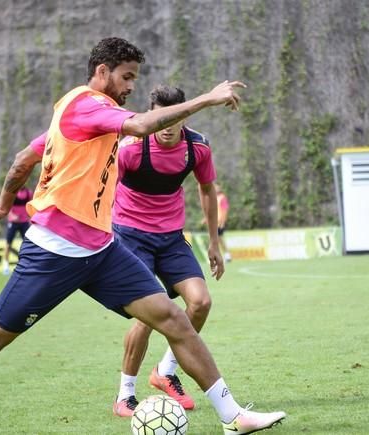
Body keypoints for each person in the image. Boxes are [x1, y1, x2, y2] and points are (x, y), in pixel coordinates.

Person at [0, 37, 285, 435]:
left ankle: (233, 415)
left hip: (102, 248)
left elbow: (25, 158)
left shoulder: (89, 113)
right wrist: (206, 99)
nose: (131, 87)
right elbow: (143, 125)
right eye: (127, 77)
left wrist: (4, 206)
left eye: (134, 78)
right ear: (102, 71)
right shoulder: (86, 105)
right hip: (55, 249)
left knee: (174, 319)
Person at [112, 85, 224, 417]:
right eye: (161, 118)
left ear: (184, 115)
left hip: (171, 237)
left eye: (174, 118)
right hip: (131, 235)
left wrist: (214, 242)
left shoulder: (197, 147)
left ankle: (165, 371)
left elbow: (206, 190)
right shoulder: (130, 148)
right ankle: (125, 395)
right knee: (150, 314)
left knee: (201, 302)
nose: (167, 126)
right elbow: (104, 187)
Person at [2, 185, 33, 275]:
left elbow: (30, 206)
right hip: (13, 222)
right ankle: (5, 265)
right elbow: (7, 206)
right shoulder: (13, 192)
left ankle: (27, 264)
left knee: (27, 243)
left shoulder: (28, 193)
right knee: (8, 244)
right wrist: (12, 215)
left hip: (24, 222)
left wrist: (30, 218)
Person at [216, 184, 232, 262]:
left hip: (219, 222)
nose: (216, 188)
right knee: (217, 239)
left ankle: (227, 255)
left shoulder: (222, 198)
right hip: (215, 222)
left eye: (217, 187)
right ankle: (224, 255)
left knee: (219, 239)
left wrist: (223, 222)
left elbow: (225, 210)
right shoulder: (215, 198)